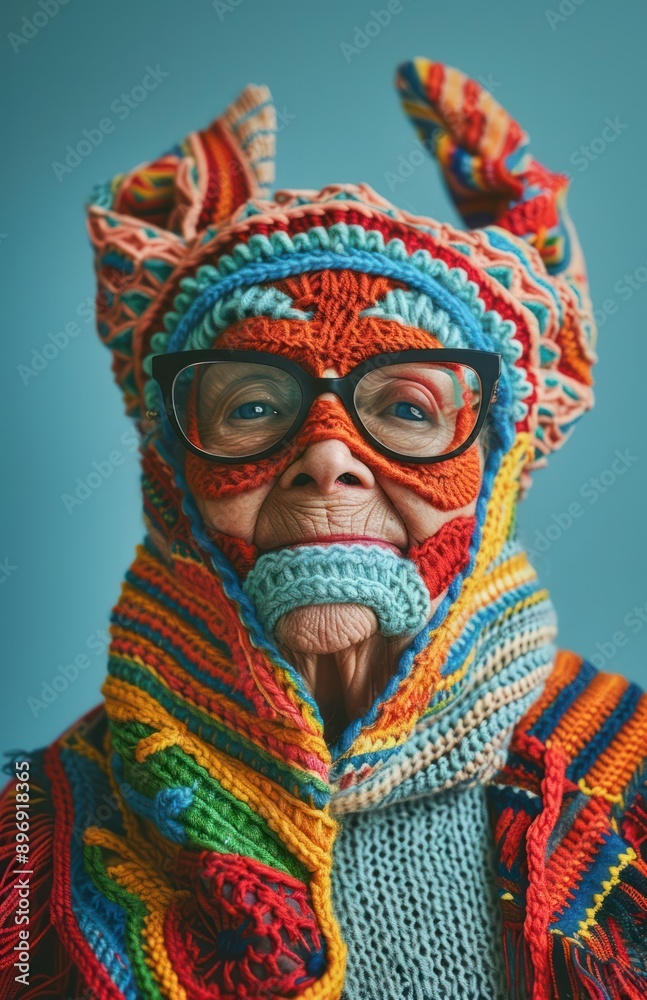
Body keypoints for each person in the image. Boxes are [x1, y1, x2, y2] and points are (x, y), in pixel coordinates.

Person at [1, 58, 646, 1000]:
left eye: (411, 408)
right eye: (253, 406)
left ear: (496, 476)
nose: (328, 455)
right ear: (171, 475)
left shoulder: (626, 785)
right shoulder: (31, 835)